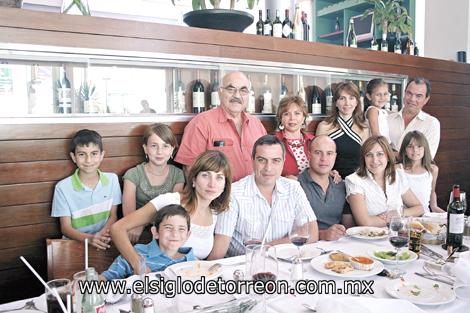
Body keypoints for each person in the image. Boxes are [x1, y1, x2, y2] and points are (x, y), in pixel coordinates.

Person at [111, 150, 231, 265]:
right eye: (205, 175)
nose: (212, 184)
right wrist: (138, 264)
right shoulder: (171, 201)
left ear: (225, 185)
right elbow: (117, 229)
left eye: (219, 177)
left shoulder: (216, 212)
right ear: (194, 179)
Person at [208, 135, 319, 259]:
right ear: (253, 160)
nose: (268, 168)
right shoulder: (233, 194)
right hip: (244, 267)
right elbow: (219, 251)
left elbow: (312, 233)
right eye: (262, 160)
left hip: (284, 263)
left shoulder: (294, 188)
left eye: (275, 160)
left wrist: (269, 247)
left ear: (283, 161)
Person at [175, 71, 267, 182]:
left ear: (248, 95)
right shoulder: (201, 123)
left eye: (243, 90)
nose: (237, 95)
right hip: (218, 197)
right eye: (230, 89)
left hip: (253, 195)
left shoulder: (257, 125)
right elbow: (190, 169)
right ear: (220, 92)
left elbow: (267, 162)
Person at [51, 129, 121, 250]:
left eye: (94, 154)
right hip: (75, 245)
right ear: (73, 157)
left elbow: (113, 216)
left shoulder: (112, 180)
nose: (88, 160)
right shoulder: (62, 187)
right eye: (82, 154)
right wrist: (90, 239)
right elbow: (65, 228)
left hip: (104, 241)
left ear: (102, 155)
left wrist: (100, 236)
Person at [122, 123, 185, 243]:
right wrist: (138, 224)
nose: (159, 152)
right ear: (145, 148)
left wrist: (143, 223)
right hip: (136, 231)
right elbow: (129, 215)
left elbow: (174, 211)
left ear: (172, 149)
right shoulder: (133, 174)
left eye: (165, 146)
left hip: (166, 231)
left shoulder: (177, 174)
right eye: (154, 146)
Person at [345, 136, 424, 227]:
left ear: (387, 156)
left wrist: (399, 213)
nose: (375, 160)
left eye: (380, 154)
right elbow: (365, 222)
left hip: (398, 235)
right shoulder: (354, 181)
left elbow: (419, 208)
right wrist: (397, 220)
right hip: (370, 238)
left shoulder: (397, 175)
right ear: (364, 158)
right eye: (369, 155)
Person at [101, 204, 195, 280]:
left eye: (181, 229)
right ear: (155, 232)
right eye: (168, 228)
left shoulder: (193, 262)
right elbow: (106, 278)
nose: (175, 234)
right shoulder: (137, 254)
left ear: (188, 235)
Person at [298, 135, 355, 241]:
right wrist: (322, 234)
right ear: (308, 155)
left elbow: (349, 228)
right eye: (318, 153)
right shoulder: (296, 185)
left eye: (329, 153)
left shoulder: (342, 185)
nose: (324, 159)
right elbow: (290, 230)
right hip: (305, 247)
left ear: (335, 156)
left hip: (339, 247)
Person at [316, 81, 369, 178]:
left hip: (357, 181)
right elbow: (317, 158)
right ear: (335, 102)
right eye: (342, 98)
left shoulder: (364, 129)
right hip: (332, 180)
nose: (347, 103)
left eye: (351, 98)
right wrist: (329, 173)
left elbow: (365, 160)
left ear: (357, 102)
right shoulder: (324, 127)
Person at [388, 77, 440, 158]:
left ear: (426, 99)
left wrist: (391, 154)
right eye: (409, 93)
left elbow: (426, 159)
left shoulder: (431, 123)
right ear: (404, 94)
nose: (412, 99)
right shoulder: (388, 119)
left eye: (418, 96)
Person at [398, 131, 444, 213]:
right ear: (404, 150)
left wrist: (436, 208)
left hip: (425, 215)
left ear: (425, 148)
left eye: (419, 146)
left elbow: (432, 192)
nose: (415, 150)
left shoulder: (432, 169)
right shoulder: (398, 169)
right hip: (405, 215)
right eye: (410, 146)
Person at [274, 96, 314, 179]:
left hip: (312, 190)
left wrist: (329, 173)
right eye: (286, 114)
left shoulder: (314, 141)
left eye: (297, 113)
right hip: (286, 190)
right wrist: (284, 180)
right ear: (281, 118)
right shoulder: (273, 142)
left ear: (303, 117)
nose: (292, 118)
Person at [364, 78, 391, 143]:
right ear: (369, 96)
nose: (382, 98)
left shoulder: (383, 111)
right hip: (377, 146)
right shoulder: (372, 110)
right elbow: (376, 134)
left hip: (384, 144)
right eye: (378, 94)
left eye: (385, 94)